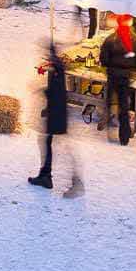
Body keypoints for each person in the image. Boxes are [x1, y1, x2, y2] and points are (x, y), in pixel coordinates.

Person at [28, 44, 83, 197]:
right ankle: (45, 175)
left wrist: (42, 91)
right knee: (47, 142)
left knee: (61, 148)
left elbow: (55, 89)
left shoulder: (56, 69)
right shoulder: (56, 67)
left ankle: (74, 181)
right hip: (56, 112)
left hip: (57, 114)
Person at [98, 15, 136, 146]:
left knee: (109, 101)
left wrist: (111, 65)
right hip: (126, 76)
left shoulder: (110, 39)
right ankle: (124, 137)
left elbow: (103, 59)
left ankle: (108, 126)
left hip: (112, 75)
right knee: (124, 106)